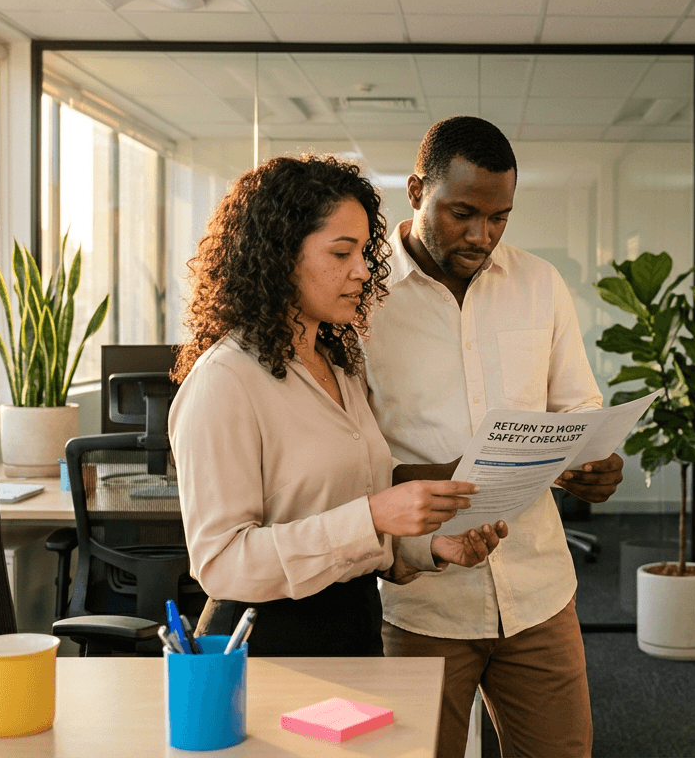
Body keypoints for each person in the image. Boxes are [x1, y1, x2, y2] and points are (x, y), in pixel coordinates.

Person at [168, 154, 508, 657]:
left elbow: (344, 519)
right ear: (279, 256)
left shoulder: (338, 365)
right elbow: (222, 561)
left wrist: (425, 546)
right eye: (341, 253)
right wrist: (372, 516)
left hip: (350, 626)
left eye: (364, 252)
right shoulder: (225, 381)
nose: (362, 270)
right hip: (268, 644)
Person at [362, 116, 625, 758]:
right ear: (416, 189)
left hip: (536, 588)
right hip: (420, 598)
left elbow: (578, 405)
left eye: (500, 216)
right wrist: (438, 479)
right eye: (462, 214)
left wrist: (594, 462)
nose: (483, 235)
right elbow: (347, 452)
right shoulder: (362, 295)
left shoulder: (539, 284)